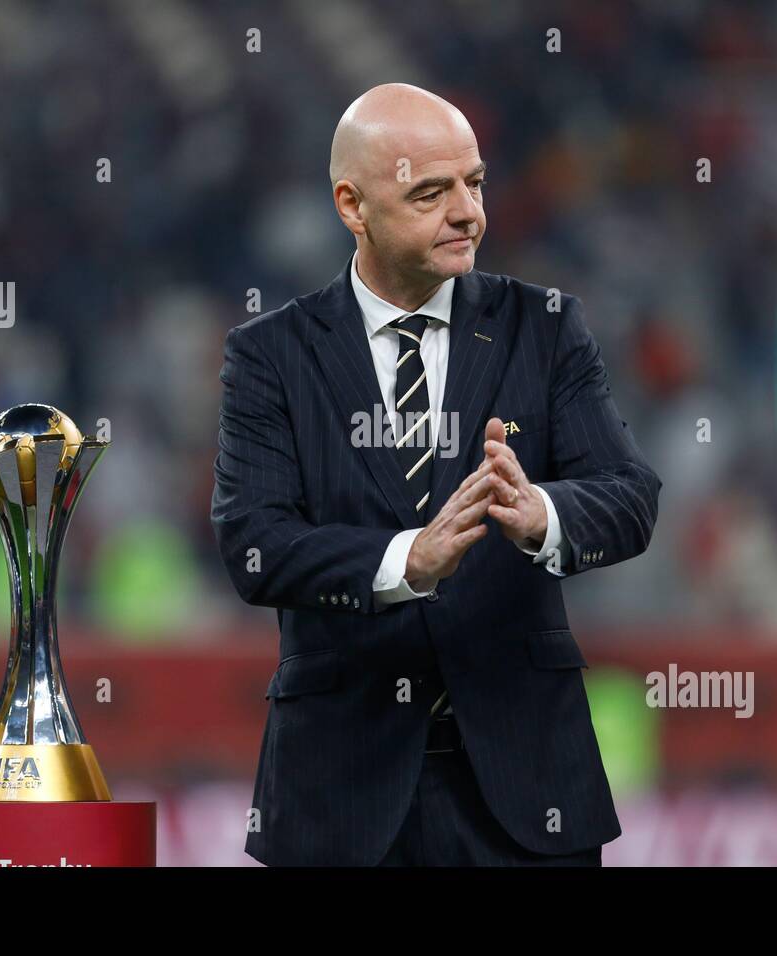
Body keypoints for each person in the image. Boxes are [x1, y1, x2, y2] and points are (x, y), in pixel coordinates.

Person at [210, 83, 661, 866]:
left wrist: (543, 515)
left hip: (527, 795)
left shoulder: (545, 326)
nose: (467, 213)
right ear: (352, 206)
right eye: (431, 192)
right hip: (341, 796)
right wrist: (403, 562)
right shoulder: (271, 355)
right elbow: (255, 542)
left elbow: (631, 499)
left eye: (475, 183)